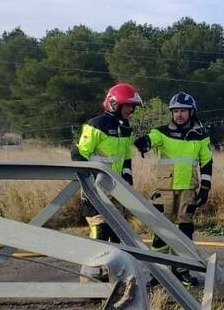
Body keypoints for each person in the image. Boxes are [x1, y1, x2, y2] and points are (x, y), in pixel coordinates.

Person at [72, 82, 141, 281]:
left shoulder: (125, 129)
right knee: (99, 230)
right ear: (114, 104)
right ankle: (90, 277)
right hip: (94, 190)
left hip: (115, 190)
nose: (131, 110)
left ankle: (113, 277)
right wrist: (87, 183)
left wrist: (127, 179)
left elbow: (126, 158)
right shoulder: (96, 125)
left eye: (132, 106)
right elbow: (79, 154)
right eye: (127, 105)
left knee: (116, 233)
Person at [133, 92, 212, 255]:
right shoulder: (161, 132)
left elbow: (207, 163)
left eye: (183, 110)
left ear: (191, 112)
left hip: (188, 191)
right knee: (161, 233)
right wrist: (144, 143)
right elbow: (151, 139)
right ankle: (158, 274)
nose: (179, 115)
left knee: (185, 233)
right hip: (164, 191)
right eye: (175, 111)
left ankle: (182, 273)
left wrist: (205, 188)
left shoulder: (201, 136)